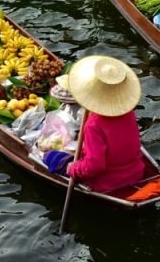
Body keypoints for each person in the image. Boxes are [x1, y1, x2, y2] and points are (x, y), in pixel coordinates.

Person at [45, 55, 144, 192]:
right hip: (136, 172)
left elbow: (95, 166)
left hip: (107, 183)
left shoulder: (93, 124)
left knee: (51, 157)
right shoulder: (128, 112)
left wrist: (73, 168)